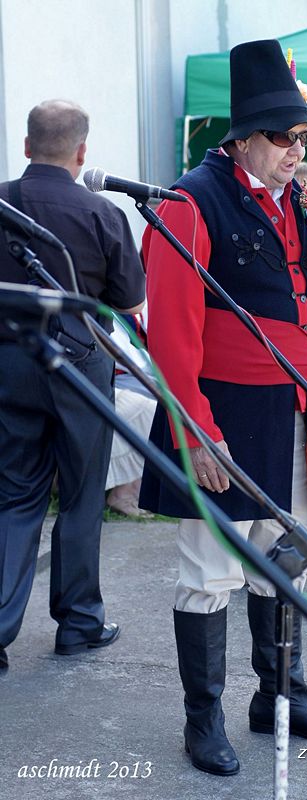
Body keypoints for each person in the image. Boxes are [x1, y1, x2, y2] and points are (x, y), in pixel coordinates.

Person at [140, 40, 307, 776]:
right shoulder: (188, 202)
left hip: (297, 409)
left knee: (286, 558)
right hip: (226, 415)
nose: (296, 150)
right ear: (241, 137)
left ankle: (281, 695)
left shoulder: (297, 201)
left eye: (302, 137)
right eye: (282, 137)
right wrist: (196, 432)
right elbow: (170, 333)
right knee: (210, 571)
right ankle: (203, 721)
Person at [0, 99, 146, 671]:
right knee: (84, 494)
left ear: (27, 144)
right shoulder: (102, 212)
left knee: (14, 495)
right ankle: (79, 623)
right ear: (82, 152)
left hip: (9, 362)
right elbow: (132, 302)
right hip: (80, 366)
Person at [105, 312, 157, 517]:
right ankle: (125, 493)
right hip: (115, 376)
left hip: (139, 373)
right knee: (153, 410)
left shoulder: (143, 290)